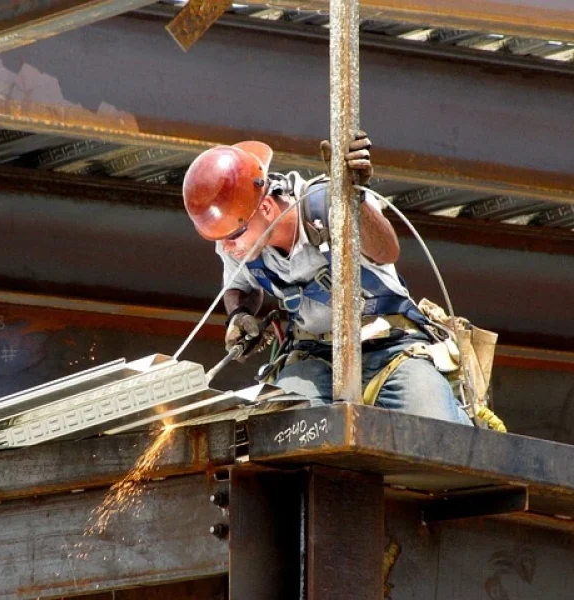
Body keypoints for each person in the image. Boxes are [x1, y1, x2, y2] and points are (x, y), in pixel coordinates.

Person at [182, 134, 472, 425]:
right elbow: (241, 285)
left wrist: (353, 202)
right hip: (313, 356)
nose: (228, 248)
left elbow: (386, 252)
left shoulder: (330, 203)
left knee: (438, 432)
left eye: (232, 237)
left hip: (390, 346)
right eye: (219, 240)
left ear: (266, 208)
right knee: (282, 431)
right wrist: (239, 313)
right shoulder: (237, 237)